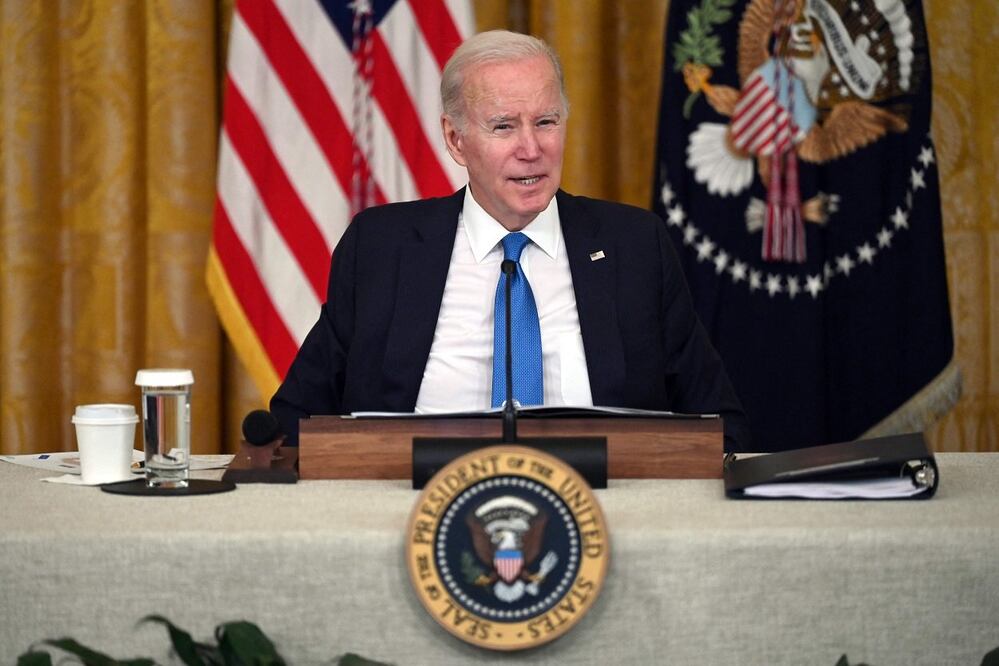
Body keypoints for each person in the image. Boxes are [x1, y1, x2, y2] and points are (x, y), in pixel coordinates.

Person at [271, 30, 750, 452]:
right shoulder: (381, 247)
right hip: (412, 510)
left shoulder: (634, 245)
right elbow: (295, 422)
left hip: (601, 513)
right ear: (455, 140)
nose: (531, 149)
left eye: (546, 122)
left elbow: (719, 426)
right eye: (503, 126)